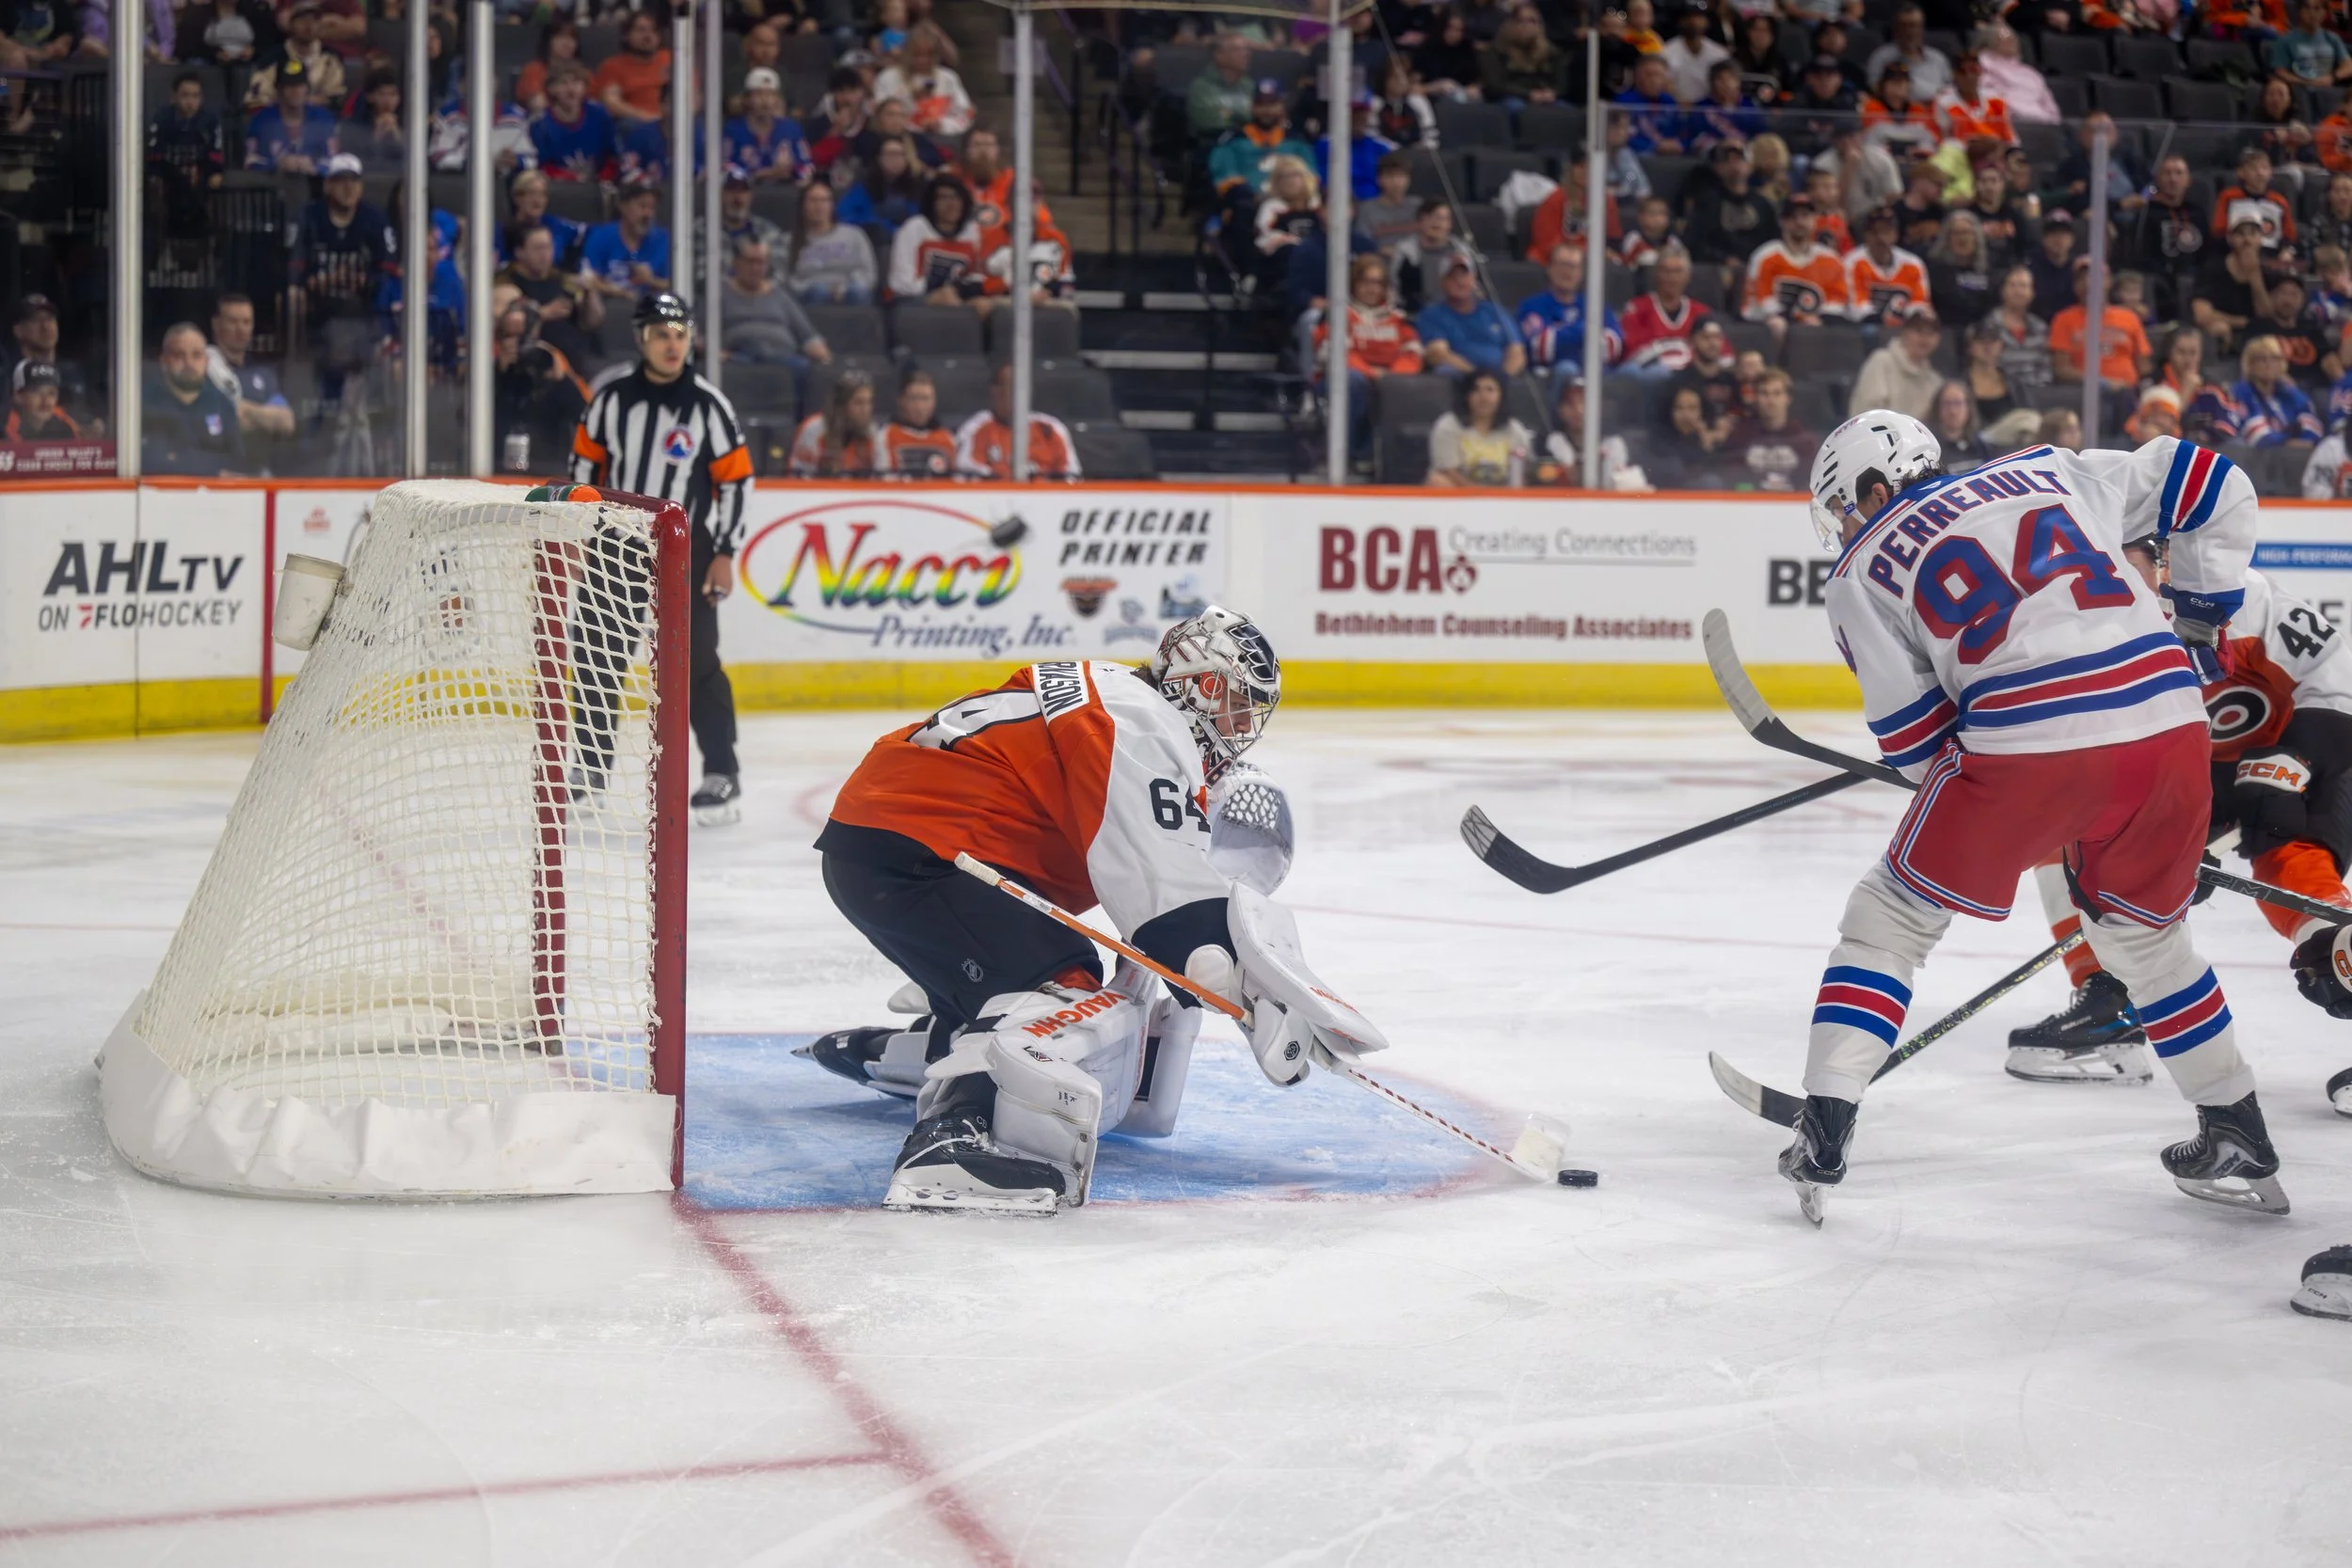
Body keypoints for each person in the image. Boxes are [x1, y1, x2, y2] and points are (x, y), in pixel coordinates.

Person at [1780, 409, 2267, 1227]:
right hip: (2176, 724)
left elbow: (1918, 746)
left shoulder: (1860, 571)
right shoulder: (2056, 468)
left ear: (1873, 487)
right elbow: (2221, 483)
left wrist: (2010, 793)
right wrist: (2197, 620)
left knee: (1890, 920)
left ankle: (1823, 1125)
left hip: (2027, 743)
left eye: (1845, 506)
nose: (1845, 527)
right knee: (2144, 942)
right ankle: (2235, 1127)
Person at [806, 607, 1305, 1212]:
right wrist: (1257, 1000)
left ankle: (924, 1050)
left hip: (906, 841)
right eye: (1237, 705)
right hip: (925, 853)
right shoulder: (1141, 719)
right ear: (1199, 684)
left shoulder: (1117, 698)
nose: (1240, 726)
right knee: (1056, 991)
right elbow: (1168, 903)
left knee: (1030, 967)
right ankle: (958, 1140)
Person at [568, 293, 752, 823]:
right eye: (661, 335)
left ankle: (722, 772)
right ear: (641, 340)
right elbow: (585, 470)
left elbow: (736, 482)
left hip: (687, 555)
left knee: (697, 666)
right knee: (596, 655)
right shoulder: (610, 402)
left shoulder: (708, 406)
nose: (673, 345)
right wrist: (585, 534)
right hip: (616, 544)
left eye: (680, 334)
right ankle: (590, 767)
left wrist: (725, 552)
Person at [1316, 253, 1423, 459]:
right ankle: (1343, 455)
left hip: (1387, 380)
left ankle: (1377, 458)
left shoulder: (1399, 319)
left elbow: (1413, 354)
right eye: (1365, 282)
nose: (1372, 289)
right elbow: (1334, 354)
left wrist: (1391, 378)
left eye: (1377, 283)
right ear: (1354, 284)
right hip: (1340, 381)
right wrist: (1372, 374)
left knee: (1405, 387)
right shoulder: (1338, 314)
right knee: (1353, 381)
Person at [723, 236, 834, 404]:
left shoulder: (780, 295)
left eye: (761, 262)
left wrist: (822, 354)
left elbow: (807, 334)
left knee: (806, 369)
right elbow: (698, 332)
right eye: (750, 261)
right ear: (736, 263)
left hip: (783, 359)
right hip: (740, 359)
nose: (756, 268)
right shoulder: (720, 293)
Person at [490, 298, 588, 475]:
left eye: (521, 338)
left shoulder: (549, 362)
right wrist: (499, 373)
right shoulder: (487, 374)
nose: (515, 344)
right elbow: (466, 418)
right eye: (508, 336)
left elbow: (583, 416)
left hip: (547, 467)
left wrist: (559, 379)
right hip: (497, 468)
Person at [1742, 195, 1849, 346]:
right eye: (1792, 217)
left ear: (1814, 220)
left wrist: (1820, 320)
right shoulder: (1765, 256)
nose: (1799, 222)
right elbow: (1765, 302)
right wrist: (1799, 319)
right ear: (1782, 222)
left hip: (1817, 327)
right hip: (1764, 325)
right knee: (1777, 324)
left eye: (1805, 216)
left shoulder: (1831, 260)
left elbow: (1836, 302)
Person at [498, 222, 604, 372]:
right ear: (519, 252)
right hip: (533, 364)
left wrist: (589, 294)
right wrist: (542, 313)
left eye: (548, 247)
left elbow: (592, 322)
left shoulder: (563, 280)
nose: (545, 254)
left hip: (576, 363)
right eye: (538, 248)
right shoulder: (506, 283)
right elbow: (503, 324)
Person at [143, 322, 245, 475]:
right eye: (179, 356)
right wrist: (210, 466)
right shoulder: (144, 404)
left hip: (213, 496)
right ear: (164, 362)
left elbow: (237, 464)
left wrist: (180, 459)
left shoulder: (222, 404)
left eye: (196, 355)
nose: (189, 363)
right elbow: (148, 461)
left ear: (206, 362)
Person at [956, 361, 1081, 479]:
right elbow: (968, 477)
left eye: (1023, 386)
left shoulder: (1051, 429)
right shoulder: (976, 428)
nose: (1019, 393)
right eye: (1012, 386)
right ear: (995, 391)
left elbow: (1071, 477)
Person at [2196, 335, 2325, 445]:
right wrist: (2289, 443)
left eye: (2275, 359)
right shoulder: (2240, 392)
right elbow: (2256, 436)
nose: (2269, 365)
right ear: (2250, 364)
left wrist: (2306, 441)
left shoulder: (2289, 392)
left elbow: (2312, 424)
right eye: (2262, 359)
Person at [1516, 244, 1621, 376]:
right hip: (1549, 378)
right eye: (1562, 265)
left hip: (1594, 376)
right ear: (1549, 268)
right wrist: (1586, 332)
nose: (1567, 272)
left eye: (1573, 266)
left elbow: (1612, 348)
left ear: (1581, 273)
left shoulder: (1596, 306)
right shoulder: (1532, 306)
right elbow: (1539, 348)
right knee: (1567, 369)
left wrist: (1560, 334)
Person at [203, 292, 293, 444]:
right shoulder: (203, 368)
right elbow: (209, 426)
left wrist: (243, 408)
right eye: (233, 322)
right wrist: (263, 418)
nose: (241, 329)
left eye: (246, 322)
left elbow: (286, 422)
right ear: (216, 324)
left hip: (258, 465)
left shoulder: (264, 374)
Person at [1416, 257, 1527, 378]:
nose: (1459, 281)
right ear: (1442, 281)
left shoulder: (1494, 311)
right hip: (1462, 378)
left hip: (1500, 380)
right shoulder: (1432, 315)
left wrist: (1502, 381)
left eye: (1464, 275)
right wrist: (1477, 379)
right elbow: (1438, 354)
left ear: (1473, 278)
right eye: (1452, 277)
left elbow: (1516, 350)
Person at [889, 172, 986, 307]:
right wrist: (936, 292)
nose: (952, 204)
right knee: (947, 299)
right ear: (932, 203)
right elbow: (900, 283)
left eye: (957, 198)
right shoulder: (914, 228)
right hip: (912, 301)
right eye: (944, 198)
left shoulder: (971, 231)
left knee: (982, 305)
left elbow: (975, 277)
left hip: (956, 299)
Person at [1426, 369, 1532, 486]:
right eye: (1476, 390)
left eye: (1490, 390)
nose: (1483, 397)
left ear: (1501, 396)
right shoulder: (1449, 425)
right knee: (1438, 481)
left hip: (1503, 496)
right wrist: (1479, 495)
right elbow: (1448, 471)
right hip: (1461, 492)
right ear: (1467, 396)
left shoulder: (1514, 429)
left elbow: (1524, 470)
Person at [1619, 244, 1713, 376]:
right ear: (1656, 274)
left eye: (1678, 272)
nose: (1672, 278)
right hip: (1648, 379)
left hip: (1690, 381)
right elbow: (1632, 355)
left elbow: (1723, 357)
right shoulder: (1637, 309)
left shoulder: (1702, 313)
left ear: (1688, 276)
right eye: (1666, 271)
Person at [1682, 139, 1775, 270]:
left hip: (1757, 268)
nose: (1734, 165)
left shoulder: (1762, 204)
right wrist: (1724, 259)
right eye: (1727, 160)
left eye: (1739, 159)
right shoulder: (1707, 202)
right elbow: (1695, 243)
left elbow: (1773, 242)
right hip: (1718, 271)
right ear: (1717, 167)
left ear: (1750, 165)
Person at [2192, 214, 2273, 357]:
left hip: (2258, 335)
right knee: (2218, 328)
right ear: (2230, 239)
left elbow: (2267, 316)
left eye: (2252, 234)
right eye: (2240, 234)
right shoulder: (2214, 268)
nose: (2247, 240)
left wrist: (2256, 279)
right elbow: (2202, 314)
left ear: (2261, 239)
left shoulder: (2268, 271)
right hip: (2226, 330)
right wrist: (2239, 322)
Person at [1724, 367, 1818, 489]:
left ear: (1788, 398)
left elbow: (1810, 482)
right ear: (1756, 398)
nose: (1771, 400)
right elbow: (1731, 479)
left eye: (1777, 393)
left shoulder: (1805, 442)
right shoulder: (1739, 437)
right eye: (1764, 393)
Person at [873, 24, 972, 139]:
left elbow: (965, 115)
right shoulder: (887, 78)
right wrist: (913, 101)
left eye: (929, 55)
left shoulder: (948, 78)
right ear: (906, 52)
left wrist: (940, 125)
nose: (922, 60)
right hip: (899, 140)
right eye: (916, 55)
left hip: (942, 140)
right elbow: (881, 117)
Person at [580, 178, 672, 300]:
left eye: (652, 207)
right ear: (623, 206)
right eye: (642, 206)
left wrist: (651, 281)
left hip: (651, 310)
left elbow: (677, 285)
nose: (648, 214)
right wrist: (619, 292)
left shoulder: (663, 239)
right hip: (609, 307)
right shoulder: (601, 235)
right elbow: (587, 278)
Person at [788, 180, 880, 304]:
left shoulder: (854, 235)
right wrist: (816, 288)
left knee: (857, 292)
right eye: (813, 201)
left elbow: (868, 273)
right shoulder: (790, 240)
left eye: (824, 200)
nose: (819, 206)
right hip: (810, 295)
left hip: (850, 292)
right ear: (803, 206)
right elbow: (787, 280)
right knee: (818, 291)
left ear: (832, 205)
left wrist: (843, 289)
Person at [1848, 302, 1945, 418]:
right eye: (1918, 331)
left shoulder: (1935, 381)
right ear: (1905, 332)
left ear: (1938, 339)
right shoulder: (1881, 361)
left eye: (1930, 333)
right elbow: (1866, 414)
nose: (1924, 338)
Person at [245, 0, 343, 111]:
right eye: (303, 20)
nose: (309, 26)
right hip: (278, 122)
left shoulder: (330, 58)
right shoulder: (272, 58)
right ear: (291, 24)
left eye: (314, 20)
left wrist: (305, 102)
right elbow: (255, 101)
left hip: (320, 122)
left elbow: (336, 98)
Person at [242, 55, 335, 172]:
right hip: (273, 186)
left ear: (307, 89)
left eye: (299, 86)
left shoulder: (323, 119)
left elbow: (333, 161)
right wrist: (278, 165)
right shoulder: (261, 121)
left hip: (315, 185)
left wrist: (314, 166)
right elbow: (250, 162)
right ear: (279, 90)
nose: (295, 91)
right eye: (289, 86)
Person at [1846, 205, 1931, 328]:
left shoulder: (1913, 264)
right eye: (1874, 232)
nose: (1880, 237)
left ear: (1896, 234)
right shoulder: (1853, 262)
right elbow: (1857, 308)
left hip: (1905, 333)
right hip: (1863, 332)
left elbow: (1919, 304)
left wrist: (1910, 322)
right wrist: (1886, 322)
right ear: (1865, 235)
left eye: (1886, 231)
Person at [1387, 198, 1475, 315]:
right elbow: (1393, 288)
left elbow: (1473, 287)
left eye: (1442, 218)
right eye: (1430, 217)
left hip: (1456, 316)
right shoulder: (1405, 252)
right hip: (1415, 315)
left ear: (1450, 224)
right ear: (1419, 222)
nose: (1436, 223)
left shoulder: (1462, 251)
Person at [532, 62, 615, 183]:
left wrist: (602, 179)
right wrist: (572, 179)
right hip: (557, 187)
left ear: (585, 87)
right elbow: (541, 166)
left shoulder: (599, 114)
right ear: (551, 89)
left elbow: (613, 158)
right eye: (563, 83)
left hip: (599, 184)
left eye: (576, 82)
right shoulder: (540, 123)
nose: (571, 89)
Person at [723, 67, 809, 183]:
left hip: (785, 196)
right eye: (758, 94)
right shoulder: (732, 129)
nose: (765, 101)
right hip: (744, 194)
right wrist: (765, 174)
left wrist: (793, 170)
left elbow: (807, 167)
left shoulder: (791, 128)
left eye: (771, 94)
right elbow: (725, 168)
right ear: (747, 99)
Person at [789, 366, 879, 476]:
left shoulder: (871, 431)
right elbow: (798, 477)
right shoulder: (813, 429)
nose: (866, 410)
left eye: (869, 402)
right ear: (841, 405)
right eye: (859, 403)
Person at [594, 8, 670, 129]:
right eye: (641, 30)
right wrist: (648, 118)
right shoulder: (613, 66)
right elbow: (612, 103)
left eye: (653, 30)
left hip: (673, 121)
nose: (648, 36)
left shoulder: (670, 59)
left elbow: (694, 96)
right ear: (626, 35)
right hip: (636, 124)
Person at [1484, 1, 1570, 105]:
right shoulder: (1498, 50)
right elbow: (1495, 86)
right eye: (1521, 21)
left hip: (1545, 98)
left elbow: (1561, 84)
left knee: (1565, 109)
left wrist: (1551, 93)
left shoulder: (1551, 52)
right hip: (1512, 98)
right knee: (1515, 106)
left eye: (1532, 21)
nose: (1527, 26)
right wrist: (1528, 94)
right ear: (1511, 24)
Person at [879, 369, 957, 477]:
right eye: (914, 399)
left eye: (925, 399)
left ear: (934, 401)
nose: (920, 407)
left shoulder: (948, 439)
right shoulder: (887, 436)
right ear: (901, 400)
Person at [1866, 2, 1951, 100]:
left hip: (1936, 111)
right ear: (1896, 29)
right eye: (1904, 26)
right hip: (1901, 112)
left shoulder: (1938, 58)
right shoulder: (1881, 57)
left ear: (1922, 28)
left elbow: (1950, 92)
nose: (1910, 31)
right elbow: (1875, 89)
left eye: (1914, 25)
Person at [1927, 209, 1994, 328]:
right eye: (1956, 233)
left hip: (1983, 333)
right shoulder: (1934, 270)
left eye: (1967, 232)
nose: (1962, 238)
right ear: (1947, 238)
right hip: (1946, 331)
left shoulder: (1991, 266)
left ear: (1976, 237)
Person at [1187, 32, 1254, 144]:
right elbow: (1208, 122)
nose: (1245, 54)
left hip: (1252, 143)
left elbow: (1264, 117)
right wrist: (1246, 116)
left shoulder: (1248, 85)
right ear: (1219, 54)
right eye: (1237, 50)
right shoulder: (1201, 87)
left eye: (1246, 49)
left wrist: (1230, 113)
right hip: (1216, 146)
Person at [1657, 0, 1728, 103]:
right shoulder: (1667, 52)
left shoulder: (1719, 54)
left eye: (1699, 17)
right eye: (1689, 17)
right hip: (1676, 110)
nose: (1694, 22)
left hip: (1711, 110)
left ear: (1706, 21)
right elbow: (1664, 87)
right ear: (1680, 21)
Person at [515, 15, 580, 114]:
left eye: (572, 38)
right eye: (561, 37)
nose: (567, 43)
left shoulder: (583, 73)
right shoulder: (534, 69)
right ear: (549, 41)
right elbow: (538, 104)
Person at [1356, 151, 1420, 251]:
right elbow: (1363, 244)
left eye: (1401, 176)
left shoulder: (1418, 206)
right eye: (1390, 176)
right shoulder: (1367, 209)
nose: (1396, 182)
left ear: (1408, 179)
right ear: (1379, 180)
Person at [1924, 377, 1989, 469]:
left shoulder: (1982, 446)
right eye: (1947, 404)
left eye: (1958, 403)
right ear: (1938, 408)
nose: (1953, 411)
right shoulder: (1930, 450)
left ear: (1969, 407)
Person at [7, 359, 78, 441]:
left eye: (51, 393)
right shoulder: (3, 426)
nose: (46, 401)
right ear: (18, 395)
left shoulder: (65, 424)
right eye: (36, 392)